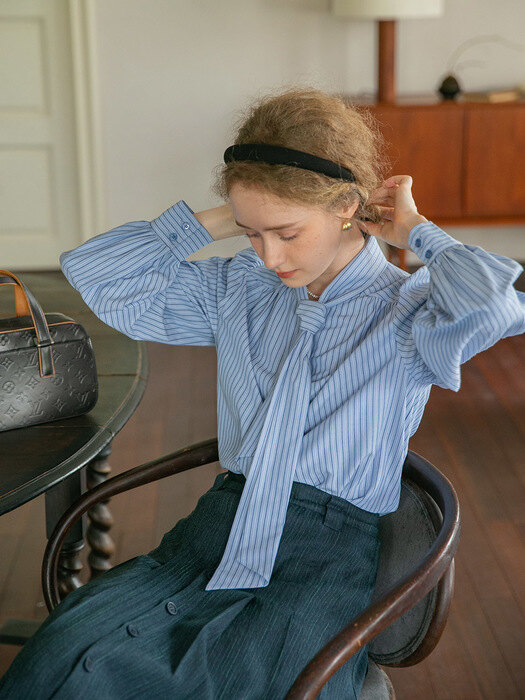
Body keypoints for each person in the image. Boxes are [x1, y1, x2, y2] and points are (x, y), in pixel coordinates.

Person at [1, 86, 524, 699]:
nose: (269, 255)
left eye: (286, 232)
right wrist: (232, 213)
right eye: (252, 234)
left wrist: (415, 228)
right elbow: (98, 273)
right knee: (63, 663)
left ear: (348, 206)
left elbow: (494, 303)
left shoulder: (411, 310)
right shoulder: (240, 289)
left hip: (321, 559)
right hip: (215, 531)